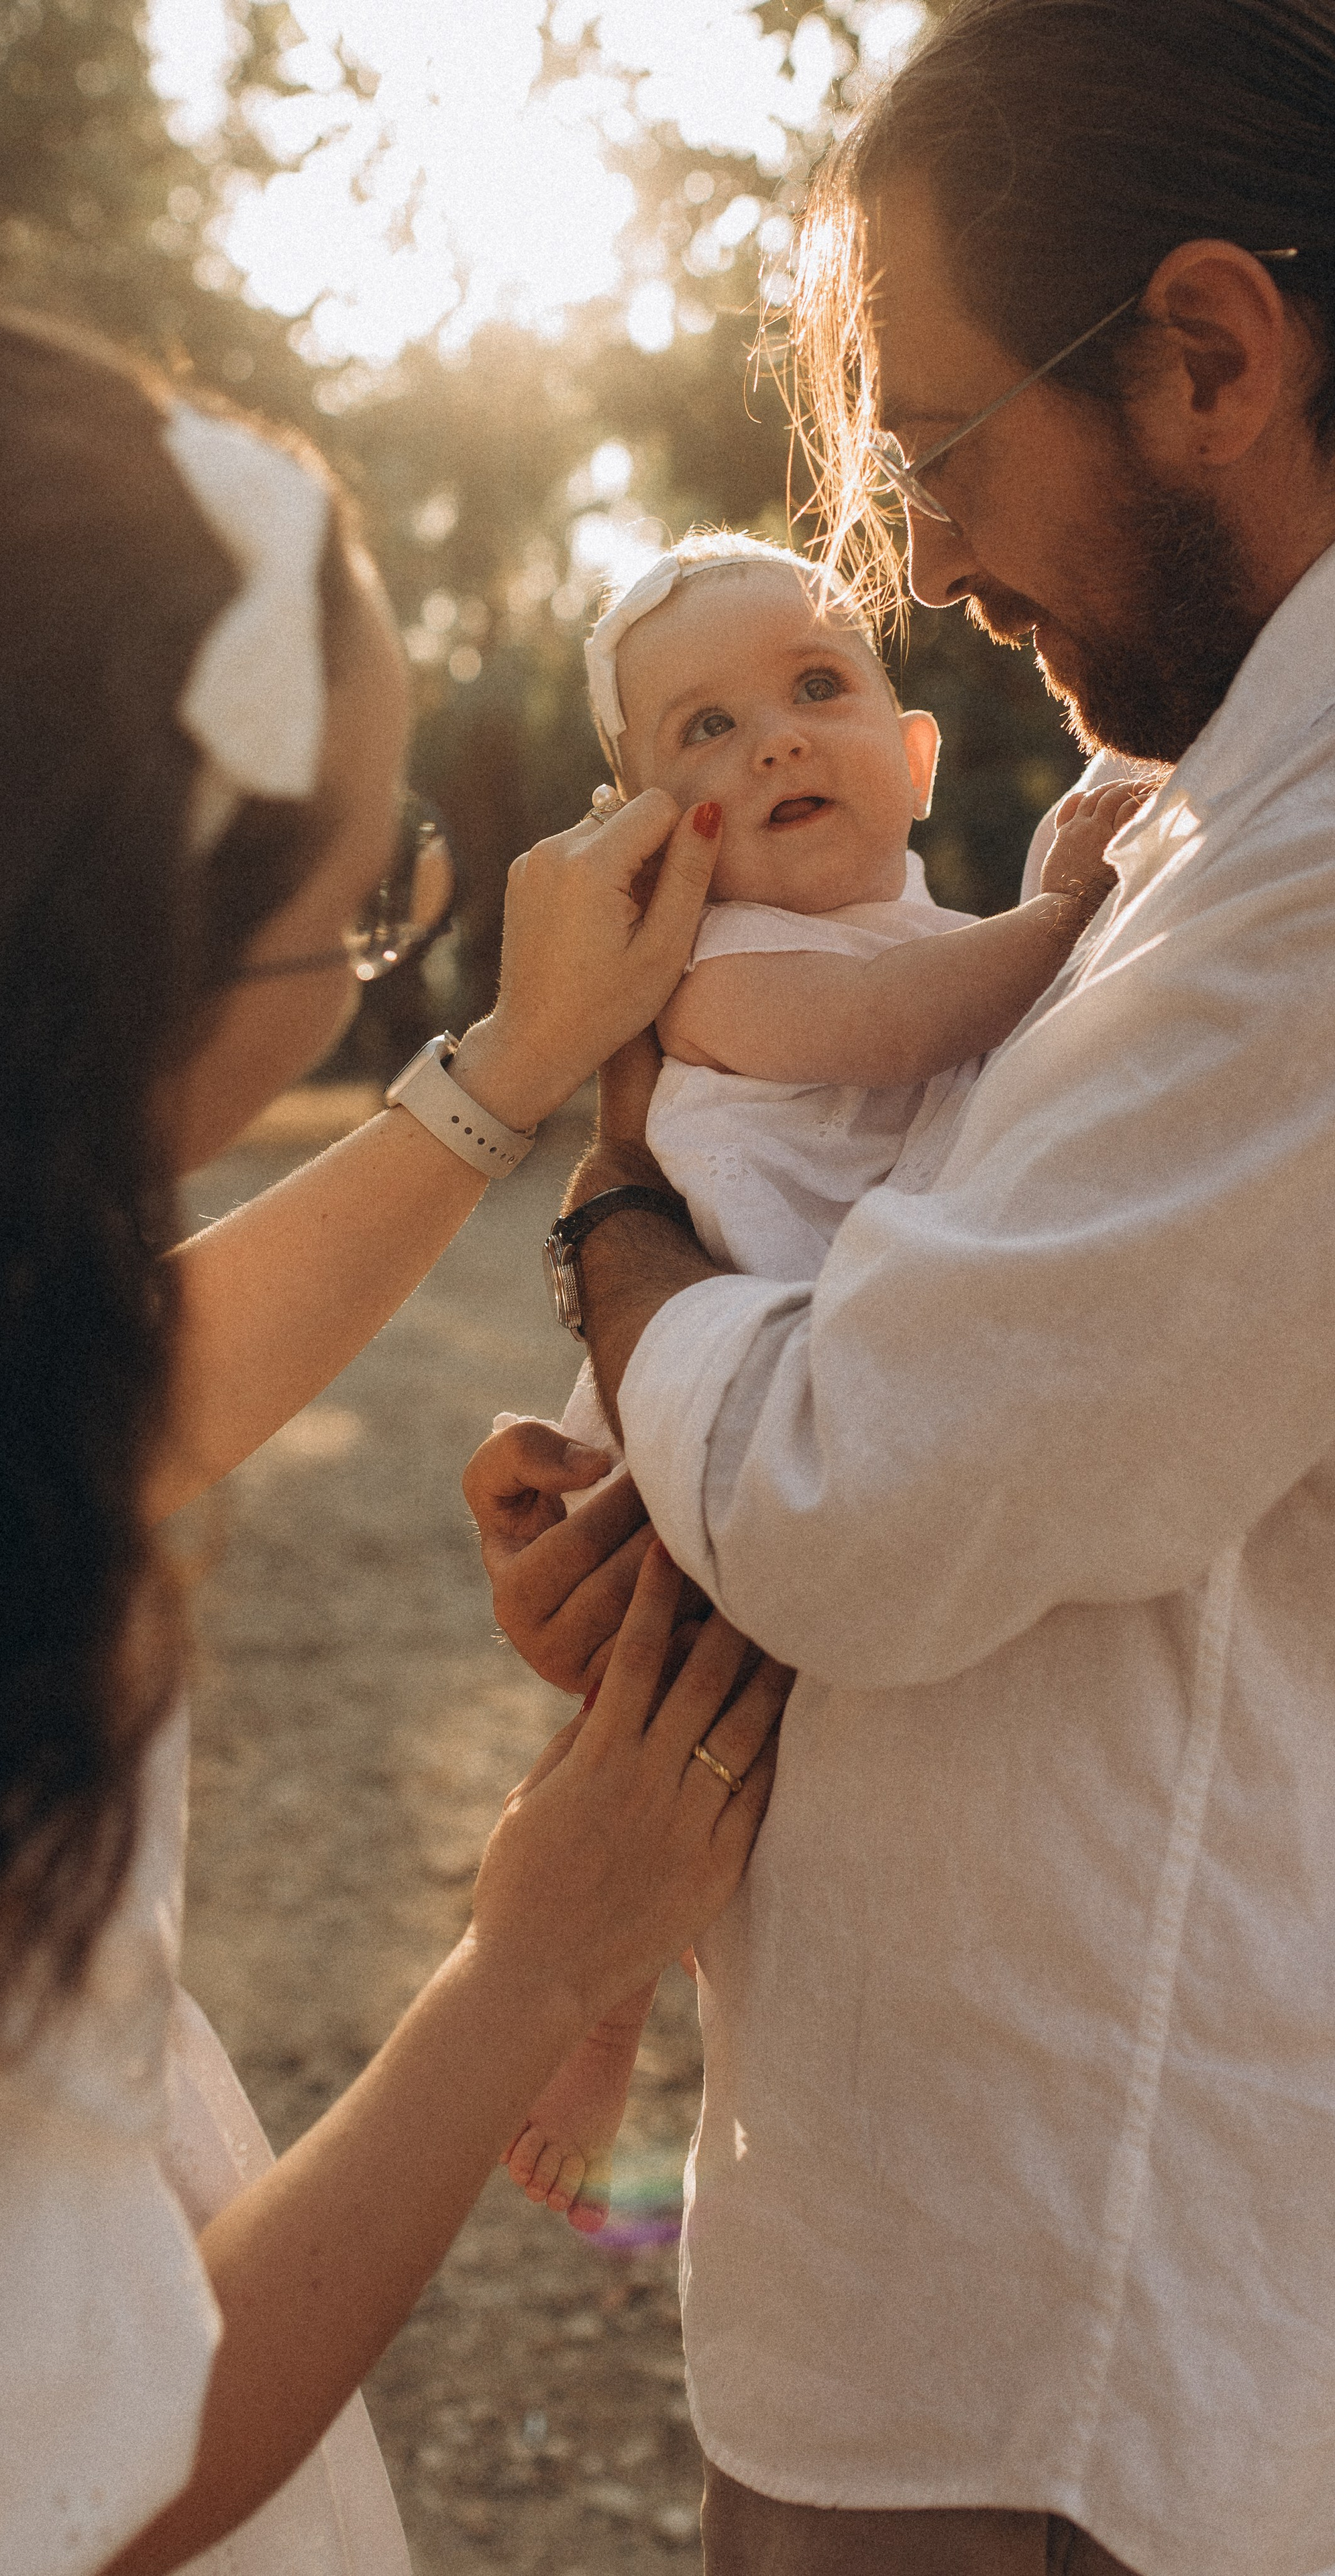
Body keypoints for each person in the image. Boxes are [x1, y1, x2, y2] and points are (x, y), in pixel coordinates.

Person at [0, 282, 788, 2576]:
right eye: (358, 920)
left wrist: (493, 1079)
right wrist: (534, 1963)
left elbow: (67, 1408)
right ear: (75, 956)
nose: (386, 950)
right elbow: (78, 2495)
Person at [465, 3, 1335, 2571]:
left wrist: (617, 1217)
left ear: (1212, 352)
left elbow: (856, 1495)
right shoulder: (1205, 812)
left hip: (1063, 2294)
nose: (926, 564)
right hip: (954, 2199)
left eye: (940, 454)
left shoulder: (1298, 874)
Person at [501, 533, 1136, 2229]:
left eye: (813, 689)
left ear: (912, 756)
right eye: (699, 731)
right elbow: (910, 1030)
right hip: (688, 1410)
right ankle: (577, 2014)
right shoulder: (715, 978)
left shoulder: (930, 929)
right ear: (643, 818)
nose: (772, 741)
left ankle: (661, 2006)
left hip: (806, 1382)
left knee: (740, 1765)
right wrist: (1072, 915)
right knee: (638, 1727)